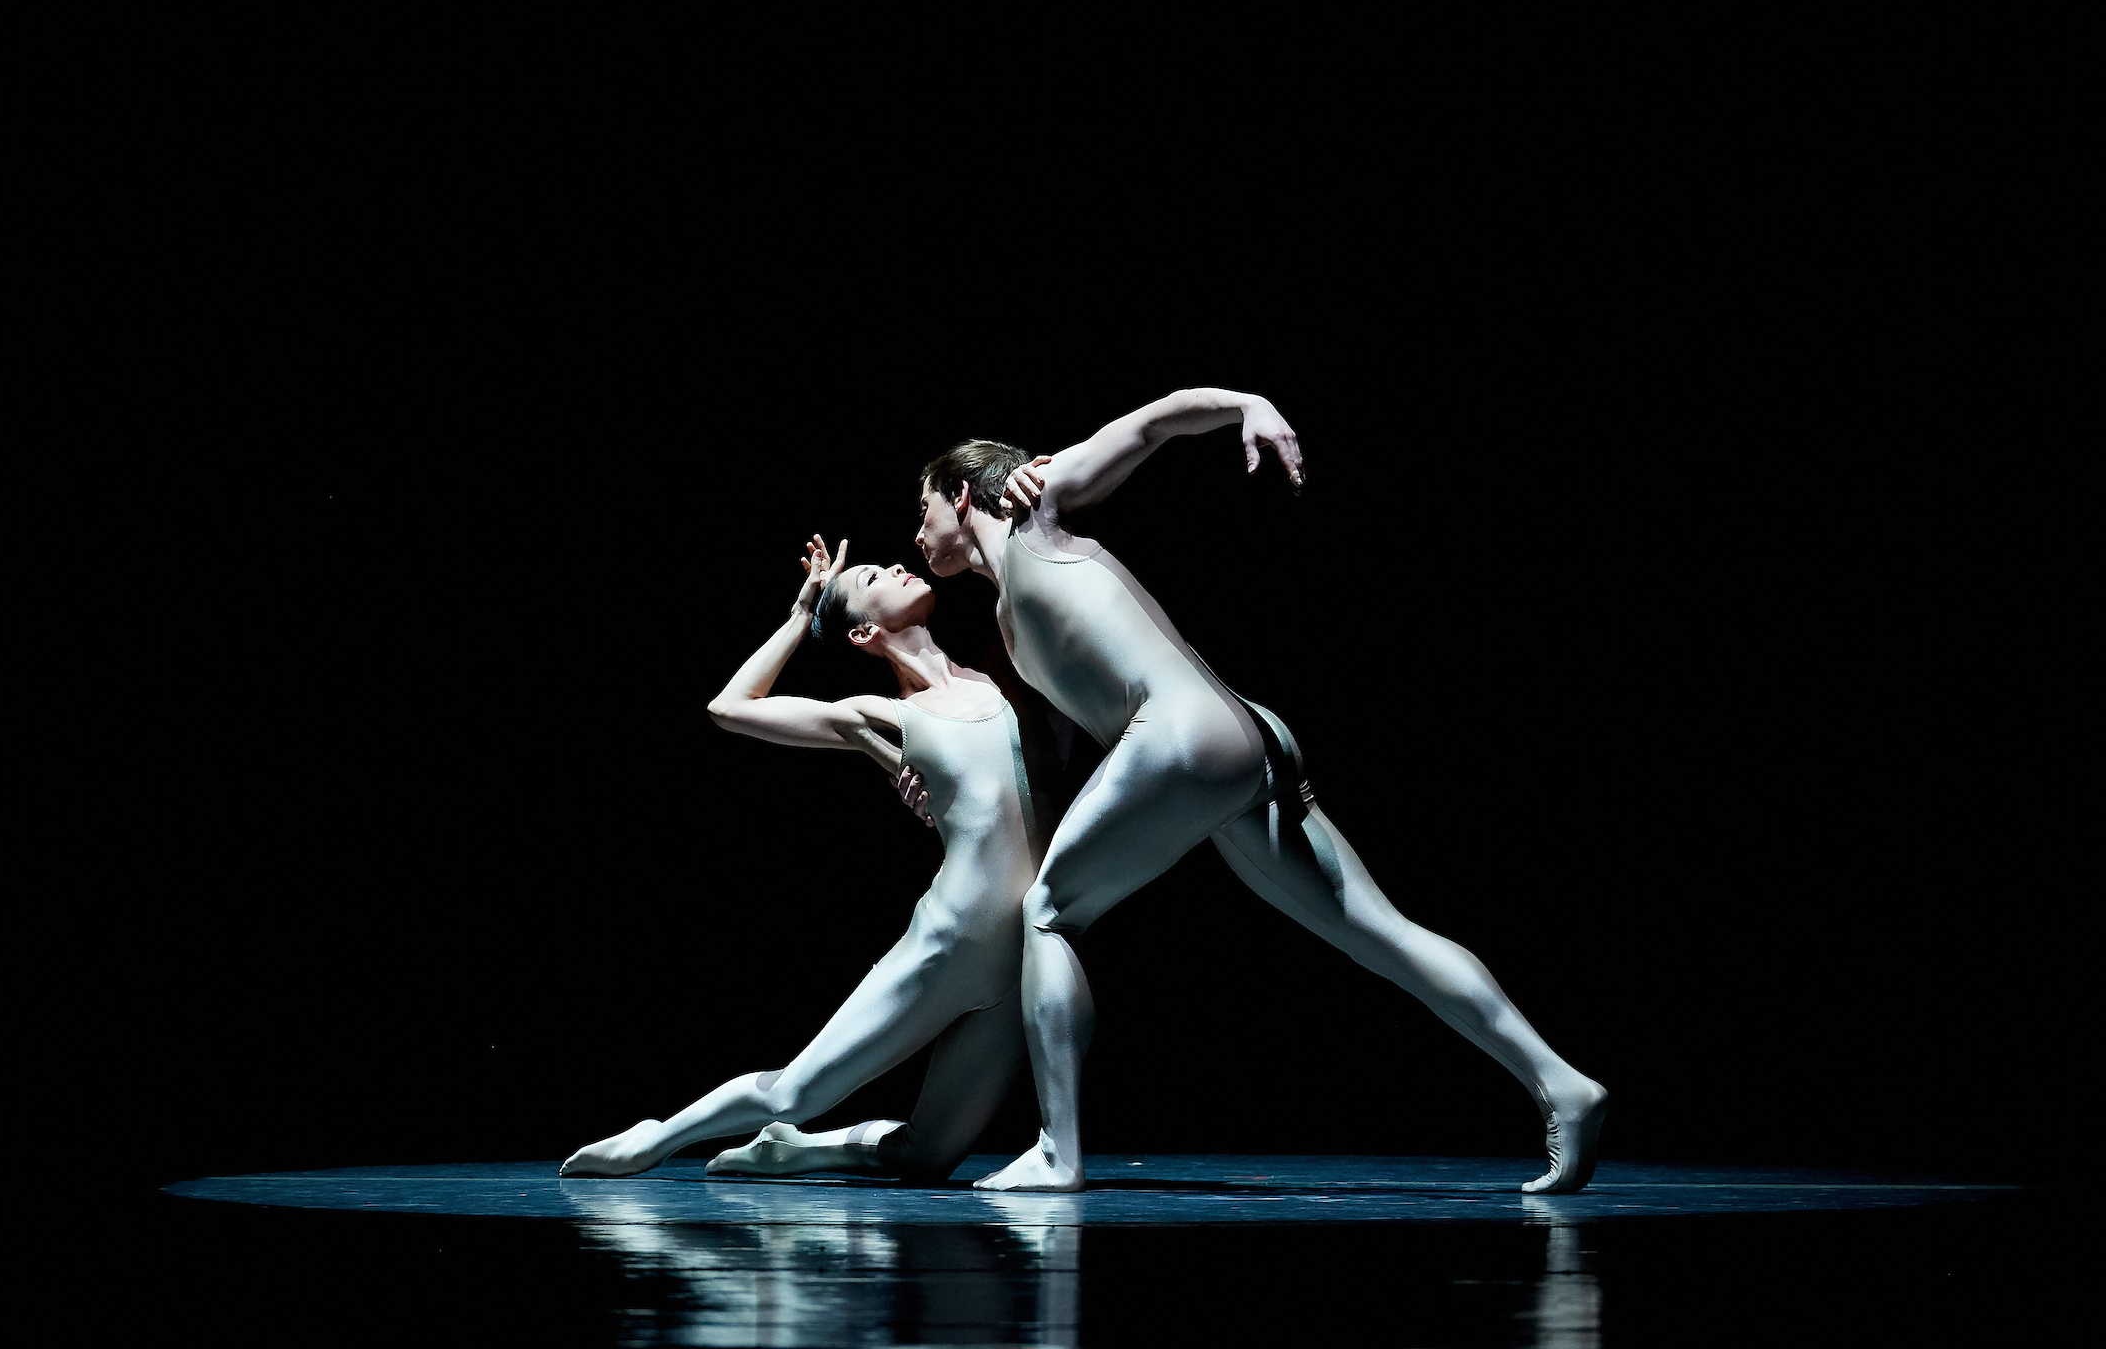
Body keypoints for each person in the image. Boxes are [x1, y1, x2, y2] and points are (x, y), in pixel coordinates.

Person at [912, 391, 1609, 1194]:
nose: (916, 529)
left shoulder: (1037, 505)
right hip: (1241, 736)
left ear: (961, 494)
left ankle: (1058, 1152)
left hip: (1181, 735)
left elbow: (1149, 423)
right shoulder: (1007, 614)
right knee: (1379, 932)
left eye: (921, 506)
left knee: (1047, 911)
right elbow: (1046, 755)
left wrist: (1247, 404)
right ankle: (1560, 1082)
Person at [560, 536, 1055, 1180]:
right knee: (795, 1093)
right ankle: (656, 1139)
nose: (900, 567)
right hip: (951, 941)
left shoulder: (998, 671)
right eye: (875, 574)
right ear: (864, 633)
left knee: (929, 1155)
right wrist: (802, 616)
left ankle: (792, 1150)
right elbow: (730, 708)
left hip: (1022, 955)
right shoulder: (878, 715)